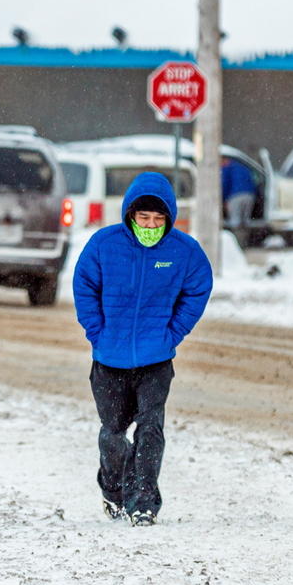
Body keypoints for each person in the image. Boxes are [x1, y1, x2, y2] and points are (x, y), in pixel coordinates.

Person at [73, 172, 213, 527]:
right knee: (113, 434)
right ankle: (114, 490)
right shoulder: (104, 245)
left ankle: (144, 503)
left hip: (156, 359)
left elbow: (198, 289)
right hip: (109, 359)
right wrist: (97, 332)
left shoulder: (184, 252)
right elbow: (84, 286)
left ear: (168, 218)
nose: (151, 224)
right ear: (130, 216)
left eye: (158, 218)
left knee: (150, 430)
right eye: (144, 217)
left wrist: (174, 332)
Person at [221, 156, 257, 230]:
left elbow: (225, 184)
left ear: (225, 161)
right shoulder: (243, 167)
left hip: (235, 196)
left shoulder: (227, 169)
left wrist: (224, 199)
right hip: (249, 196)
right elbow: (254, 181)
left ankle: (237, 238)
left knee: (235, 221)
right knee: (246, 221)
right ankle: (246, 238)